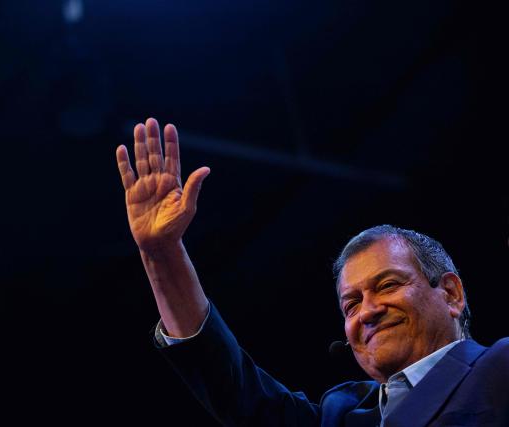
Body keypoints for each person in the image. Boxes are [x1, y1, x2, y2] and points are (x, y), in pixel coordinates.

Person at [115, 118, 509, 426]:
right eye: (351, 304)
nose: (367, 311)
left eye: (388, 285)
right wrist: (163, 254)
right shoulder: (339, 415)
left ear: (452, 293)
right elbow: (233, 387)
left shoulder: (498, 370)